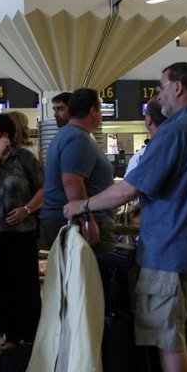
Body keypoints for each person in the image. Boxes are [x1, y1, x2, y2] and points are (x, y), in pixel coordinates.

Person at [63, 62, 187, 372]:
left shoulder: (173, 132)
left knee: (169, 335)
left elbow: (129, 188)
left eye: (161, 86)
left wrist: (83, 205)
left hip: (171, 253)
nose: (159, 94)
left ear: (178, 87)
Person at [0, 113, 44, 351]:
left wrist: (26, 209)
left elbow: (43, 188)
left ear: (5, 135)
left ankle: (31, 335)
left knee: (25, 283)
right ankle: (11, 335)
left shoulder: (24, 158)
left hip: (22, 231)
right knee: (2, 284)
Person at [40, 88, 116, 253]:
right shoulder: (77, 138)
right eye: (100, 110)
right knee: (92, 269)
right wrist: (87, 220)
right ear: (93, 111)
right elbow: (71, 181)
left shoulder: (70, 135)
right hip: (75, 222)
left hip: (67, 219)